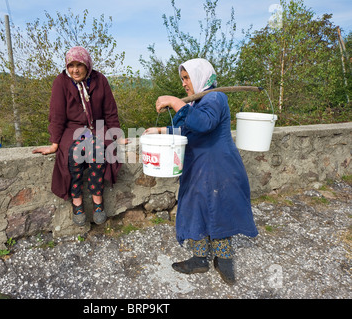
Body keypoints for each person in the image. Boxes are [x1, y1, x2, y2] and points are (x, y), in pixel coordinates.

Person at [147, 58, 258, 285]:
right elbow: (188, 127)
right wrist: (160, 129)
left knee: (219, 209)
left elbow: (204, 123)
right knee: (193, 208)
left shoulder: (216, 97)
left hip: (218, 168)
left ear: (200, 76)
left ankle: (224, 259)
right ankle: (200, 259)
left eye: (187, 78)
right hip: (197, 167)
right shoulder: (198, 102)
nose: (184, 84)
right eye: (182, 79)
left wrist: (174, 102)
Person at [33, 46, 128, 227]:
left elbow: (110, 110)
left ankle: (97, 201)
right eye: (71, 65)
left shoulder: (100, 80)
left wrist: (117, 135)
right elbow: (57, 115)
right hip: (72, 130)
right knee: (75, 153)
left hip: (97, 127)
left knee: (98, 148)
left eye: (79, 65)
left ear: (87, 65)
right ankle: (77, 203)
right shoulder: (61, 82)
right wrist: (54, 143)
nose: (75, 70)